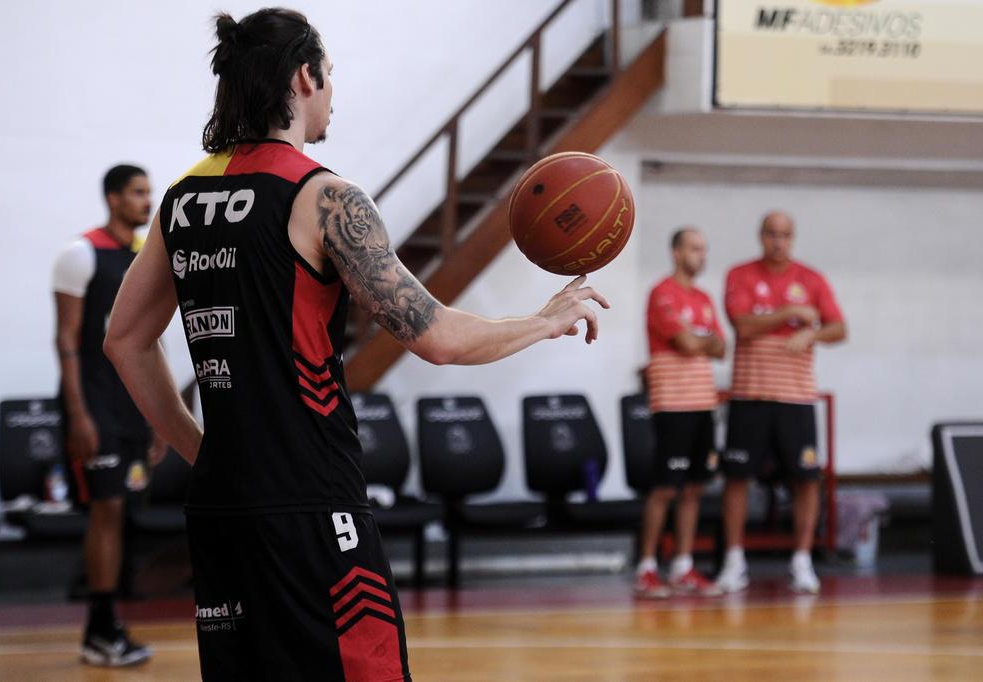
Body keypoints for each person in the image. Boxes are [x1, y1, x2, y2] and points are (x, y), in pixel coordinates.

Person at [102, 9, 609, 681]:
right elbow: (436, 337)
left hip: (223, 508)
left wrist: (206, 453)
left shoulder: (183, 199)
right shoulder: (323, 197)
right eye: (330, 74)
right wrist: (545, 320)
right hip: (313, 505)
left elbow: (125, 340)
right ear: (304, 76)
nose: (333, 90)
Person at [52, 164, 164, 667]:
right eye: (138, 193)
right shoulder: (81, 254)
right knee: (107, 510)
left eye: (149, 192)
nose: (147, 201)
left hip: (131, 404)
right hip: (93, 404)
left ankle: (106, 626)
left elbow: (151, 341)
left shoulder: (144, 257)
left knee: (123, 513)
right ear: (113, 198)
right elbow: (67, 339)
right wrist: (78, 415)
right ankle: (99, 627)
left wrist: (161, 415)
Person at [709, 211, 846, 595]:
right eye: (771, 233)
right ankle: (733, 562)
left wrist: (812, 335)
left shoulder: (811, 279)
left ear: (793, 238)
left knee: (805, 480)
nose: (778, 241)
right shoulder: (741, 275)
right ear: (761, 236)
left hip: (796, 398)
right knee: (736, 479)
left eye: (785, 235)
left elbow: (839, 327)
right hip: (750, 396)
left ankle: (802, 561)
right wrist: (790, 314)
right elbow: (743, 326)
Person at [635, 228, 725, 599]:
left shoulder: (703, 298)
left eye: (704, 249)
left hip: (704, 404)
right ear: (675, 252)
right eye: (693, 248)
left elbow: (721, 347)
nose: (700, 255)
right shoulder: (662, 294)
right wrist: (699, 340)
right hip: (672, 405)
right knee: (664, 489)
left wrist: (699, 340)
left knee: (694, 488)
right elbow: (688, 343)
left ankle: (682, 566)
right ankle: (646, 567)